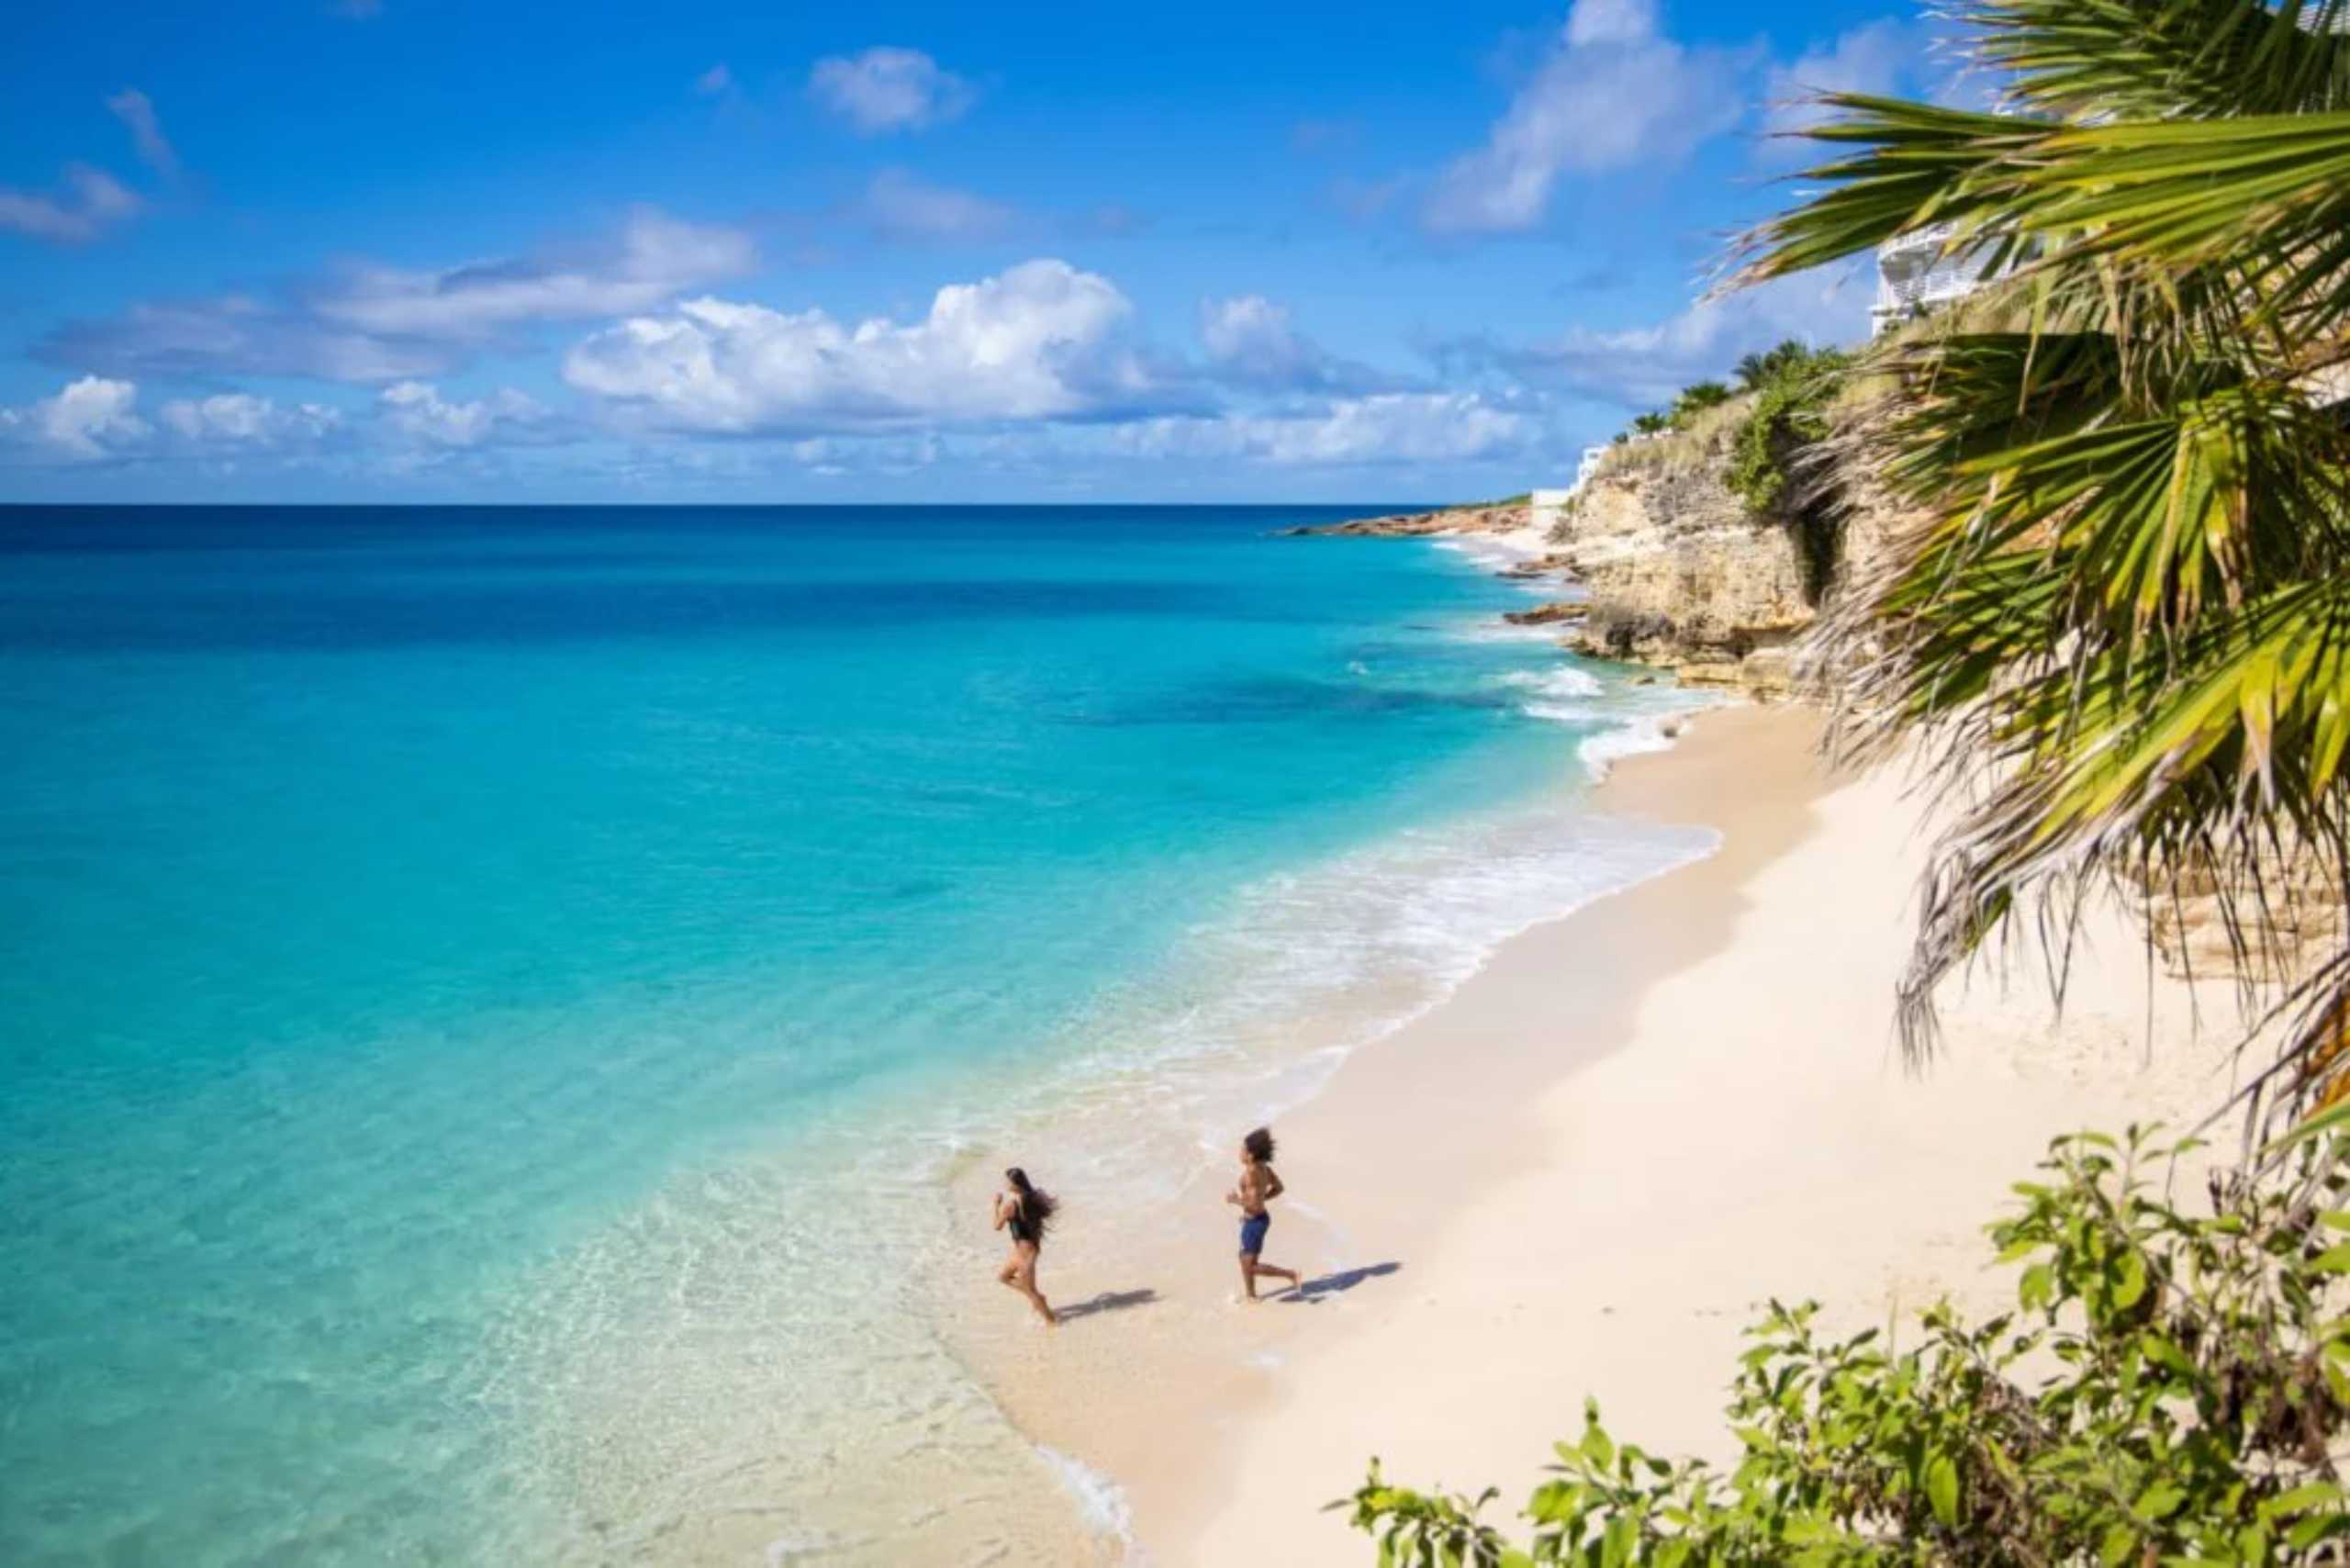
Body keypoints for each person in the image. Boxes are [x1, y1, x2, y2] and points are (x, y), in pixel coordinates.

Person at [1225, 1126, 1301, 1302]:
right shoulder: (1263, 1168)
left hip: (1255, 1223)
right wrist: (1261, 1199)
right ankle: (1251, 1296)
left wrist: (1234, 1199)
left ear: (1250, 1155)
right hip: (1257, 1219)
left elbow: (1251, 1204)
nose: (1240, 1152)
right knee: (1245, 1260)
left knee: (1250, 1266)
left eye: (1243, 1149)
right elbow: (1279, 1188)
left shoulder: (1251, 1174)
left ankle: (1291, 1274)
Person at [992, 1167, 1058, 1327]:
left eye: (1007, 1181)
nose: (1005, 1183)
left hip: (1024, 1256)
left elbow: (996, 1226)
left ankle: (1052, 1323)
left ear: (1015, 1184)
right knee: (1003, 1277)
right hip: (1025, 1250)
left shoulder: (1010, 1206)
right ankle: (1038, 1297)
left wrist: (995, 1205)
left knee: (1031, 1292)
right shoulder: (1033, 1199)